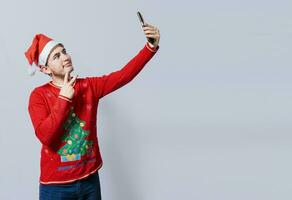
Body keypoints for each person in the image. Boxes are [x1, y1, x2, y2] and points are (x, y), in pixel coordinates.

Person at [25, 22, 160, 200]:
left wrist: (150, 47)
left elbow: (123, 75)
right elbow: (46, 136)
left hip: (89, 180)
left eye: (64, 51)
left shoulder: (89, 86)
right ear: (45, 69)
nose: (65, 57)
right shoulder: (38, 96)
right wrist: (64, 98)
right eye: (56, 56)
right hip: (56, 186)